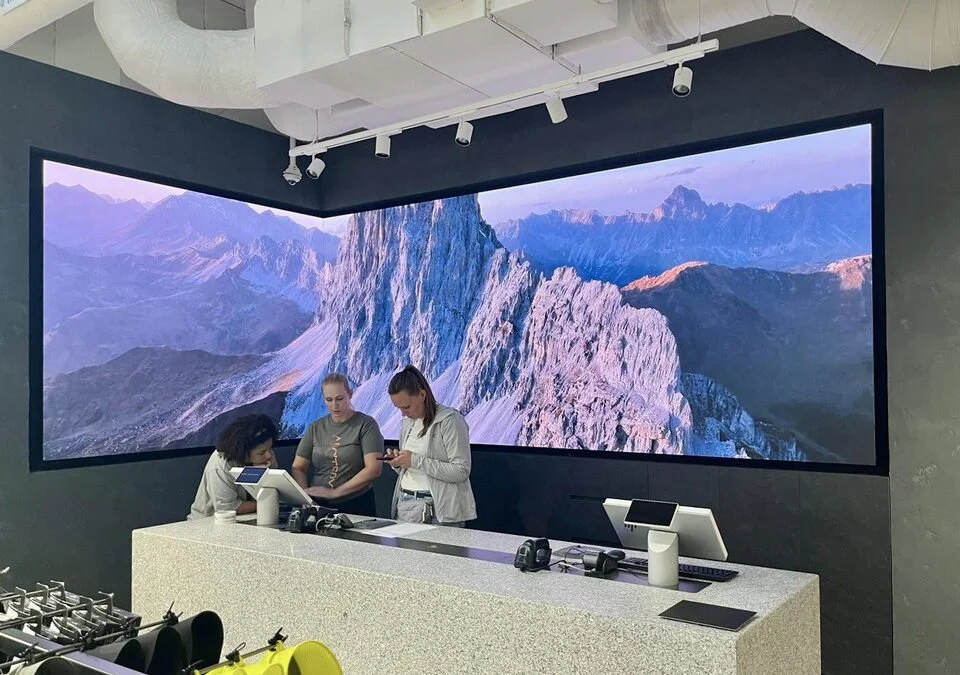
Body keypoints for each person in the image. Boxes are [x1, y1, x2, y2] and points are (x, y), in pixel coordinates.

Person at [386, 365, 477, 527]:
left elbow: (461, 471)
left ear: (422, 394)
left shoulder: (450, 420)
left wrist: (414, 461)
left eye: (406, 407)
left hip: (440, 510)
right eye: (398, 408)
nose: (402, 413)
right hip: (406, 506)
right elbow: (411, 469)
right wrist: (398, 463)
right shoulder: (407, 424)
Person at [292, 373, 384, 516]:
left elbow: (373, 469)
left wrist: (334, 493)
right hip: (318, 504)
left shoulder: (366, 424)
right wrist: (305, 496)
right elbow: (298, 467)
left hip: (355, 503)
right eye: (329, 400)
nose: (334, 405)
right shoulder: (315, 427)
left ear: (350, 394)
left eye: (339, 399)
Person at [187, 414, 278, 519]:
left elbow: (272, 492)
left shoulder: (266, 458)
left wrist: (267, 474)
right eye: (261, 453)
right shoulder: (221, 464)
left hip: (249, 518)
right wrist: (266, 503)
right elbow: (227, 508)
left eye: (270, 449)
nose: (269, 455)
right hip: (207, 523)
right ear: (244, 452)